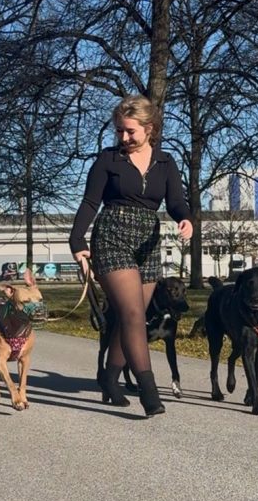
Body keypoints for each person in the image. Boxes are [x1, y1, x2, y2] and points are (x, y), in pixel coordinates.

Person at [69, 95, 193, 416]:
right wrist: (76, 239)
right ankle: (148, 390)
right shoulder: (108, 160)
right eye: (120, 131)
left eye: (130, 131)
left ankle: (109, 378)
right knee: (134, 314)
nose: (124, 138)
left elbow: (176, 202)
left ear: (149, 128)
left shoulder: (165, 163)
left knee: (129, 318)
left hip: (148, 242)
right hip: (112, 236)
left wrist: (185, 218)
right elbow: (89, 203)